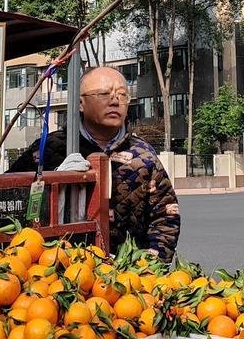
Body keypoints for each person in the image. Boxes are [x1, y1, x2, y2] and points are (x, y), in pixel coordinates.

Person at [10, 66, 180, 261]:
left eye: (122, 95)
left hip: (124, 277)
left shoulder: (143, 156)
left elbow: (165, 217)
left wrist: (150, 269)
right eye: (104, 94)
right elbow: (14, 199)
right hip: (55, 270)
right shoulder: (49, 149)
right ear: (80, 103)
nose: (115, 101)